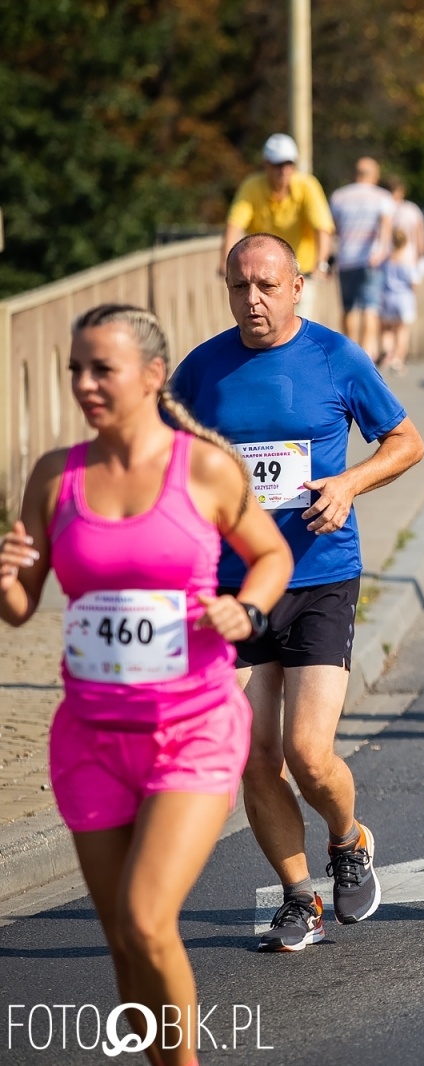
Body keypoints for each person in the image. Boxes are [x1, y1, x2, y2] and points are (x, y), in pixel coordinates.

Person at [1, 305, 293, 1064]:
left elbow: (270, 555)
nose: (85, 384)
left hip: (191, 731)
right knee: (126, 949)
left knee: (145, 917)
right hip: (91, 741)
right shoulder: (55, 476)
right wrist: (6, 579)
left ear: (153, 376)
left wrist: (247, 609)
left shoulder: (203, 466)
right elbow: (21, 605)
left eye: (103, 368)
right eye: (75, 370)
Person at [170, 233, 424, 952]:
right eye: (239, 286)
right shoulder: (201, 371)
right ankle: (298, 897)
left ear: (297, 286)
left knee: (308, 753)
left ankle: (347, 840)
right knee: (254, 758)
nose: (252, 299)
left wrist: (348, 483)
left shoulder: (336, 357)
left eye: (267, 285)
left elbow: (407, 442)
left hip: (318, 573)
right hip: (236, 585)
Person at [220, 134, 334, 291]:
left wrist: (321, 264)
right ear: (266, 164)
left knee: (299, 313)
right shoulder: (252, 187)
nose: (284, 170)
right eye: (278, 165)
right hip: (263, 275)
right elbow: (234, 226)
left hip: (300, 272)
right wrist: (227, 263)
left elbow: (322, 228)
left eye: (289, 164)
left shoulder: (307, 186)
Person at [328, 157, 396, 359]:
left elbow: (333, 229)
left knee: (348, 307)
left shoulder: (339, 196)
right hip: (371, 259)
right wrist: (381, 250)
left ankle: (349, 352)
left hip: (346, 258)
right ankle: (366, 355)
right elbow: (385, 228)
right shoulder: (383, 197)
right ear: (374, 175)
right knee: (370, 307)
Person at [378, 229, 419, 374]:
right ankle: (398, 359)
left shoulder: (388, 260)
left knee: (388, 328)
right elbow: (414, 281)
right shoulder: (407, 260)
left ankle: (388, 355)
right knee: (402, 330)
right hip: (403, 297)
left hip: (388, 296)